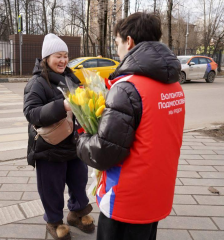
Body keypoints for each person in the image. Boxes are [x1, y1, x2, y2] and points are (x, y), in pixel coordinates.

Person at [76, 12, 185, 240]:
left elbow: (105, 152)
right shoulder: (174, 86)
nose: (117, 50)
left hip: (126, 200)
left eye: (117, 43)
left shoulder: (127, 88)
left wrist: (81, 138)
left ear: (129, 41)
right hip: (158, 193)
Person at [23, 33, 95, 240]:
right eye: (58, 56)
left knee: (78, 180)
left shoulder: (70, 77)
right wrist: (61, 106)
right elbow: (31, 113)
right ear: (46, 58)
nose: (63, 60)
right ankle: (54, 222)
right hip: (50, 147)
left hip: (74, 144)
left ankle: (78, 212)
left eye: (65, 56)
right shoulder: (38, 82)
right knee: (51, 187)